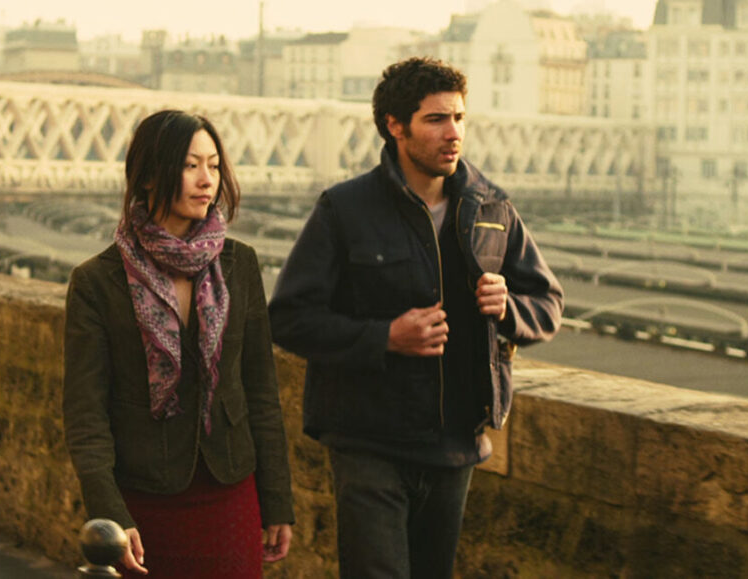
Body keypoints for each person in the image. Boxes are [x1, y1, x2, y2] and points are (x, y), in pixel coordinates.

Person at [268, 57, 563, 578]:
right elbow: (289, 317)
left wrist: (510, 308)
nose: (454, 133)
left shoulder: (492, 207)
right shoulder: (344, 209)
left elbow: (548, 303)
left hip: (455, 447)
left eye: (460, 118)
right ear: (395, 126)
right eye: (436, 120)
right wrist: (385, 337)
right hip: (368, 442)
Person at [63, 110, 294, 578]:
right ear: (148, 175)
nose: (206, 180)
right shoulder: (97, 281)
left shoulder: (238, 264)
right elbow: (86, 413)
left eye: (213, 165)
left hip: (230, 490)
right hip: (143, 498)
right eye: (190, 166)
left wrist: (277, 501)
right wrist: (110, 513)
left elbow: (261, 393)